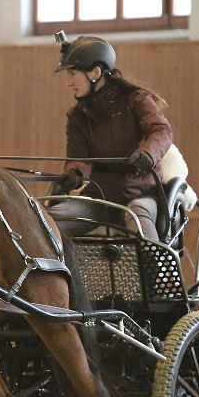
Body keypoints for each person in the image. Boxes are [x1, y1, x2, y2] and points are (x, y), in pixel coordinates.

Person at [46, 33, 173, 241]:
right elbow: (79, 158)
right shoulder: (77, 116)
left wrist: (148, 153)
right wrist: (75, 173)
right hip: (100, 198)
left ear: (95, 72)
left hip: (141, 195)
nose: (69, 83)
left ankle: (158, 272)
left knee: (139, 220)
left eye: (72, 74)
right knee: (48, 221)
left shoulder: (137, 100)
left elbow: (162, 131)